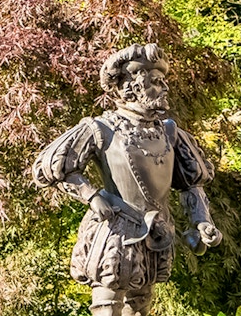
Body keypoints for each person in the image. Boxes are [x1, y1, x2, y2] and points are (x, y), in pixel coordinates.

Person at [32, 43, 221, 316]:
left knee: (141, 307)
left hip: (155, 233)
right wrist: (90, 195)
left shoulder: (169, 132)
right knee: (107, 307)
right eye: (155, 82)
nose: (164, 88)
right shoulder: (101, 129)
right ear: (131, 88)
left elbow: (191, 183)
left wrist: (201, 221)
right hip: (115, 231)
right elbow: (52, 167)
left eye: (163, 81)